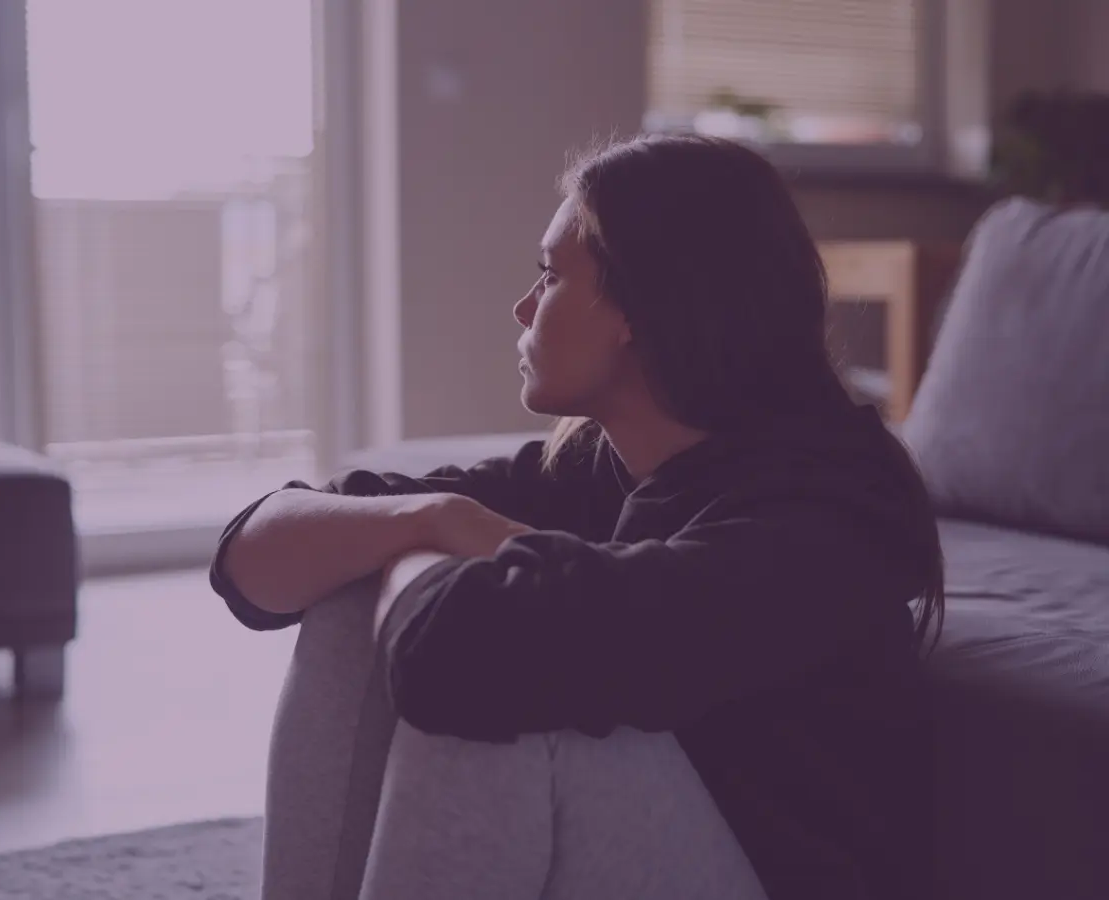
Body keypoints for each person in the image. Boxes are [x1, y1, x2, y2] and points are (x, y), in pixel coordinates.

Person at [210, 134, 945, 900]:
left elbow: (450, 657)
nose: (525, 307)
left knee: (495, 709)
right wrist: (434, 516)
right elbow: (251, 562)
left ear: (644, 304)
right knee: (349, 590)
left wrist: (434, 541)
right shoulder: (607, 465)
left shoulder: (826, 515)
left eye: (551, 275)